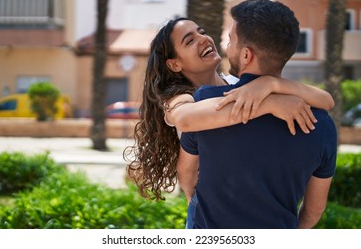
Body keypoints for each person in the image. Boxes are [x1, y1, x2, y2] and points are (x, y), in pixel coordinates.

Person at [123, 16, 334, 228]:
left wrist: (270, 83)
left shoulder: (240, 83)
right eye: (190, 40)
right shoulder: (178, 99)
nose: (204, 39)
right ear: (175, 64)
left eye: (202, 32)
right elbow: (186, 120)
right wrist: (270, 103)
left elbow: (326, 100)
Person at [179, 0, 337, 229]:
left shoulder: (207, 103)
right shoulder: (321, 124)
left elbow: (186, 174)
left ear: (246, 55)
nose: (226, 46)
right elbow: (314, 209)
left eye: (231, 40)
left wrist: (200, 205)